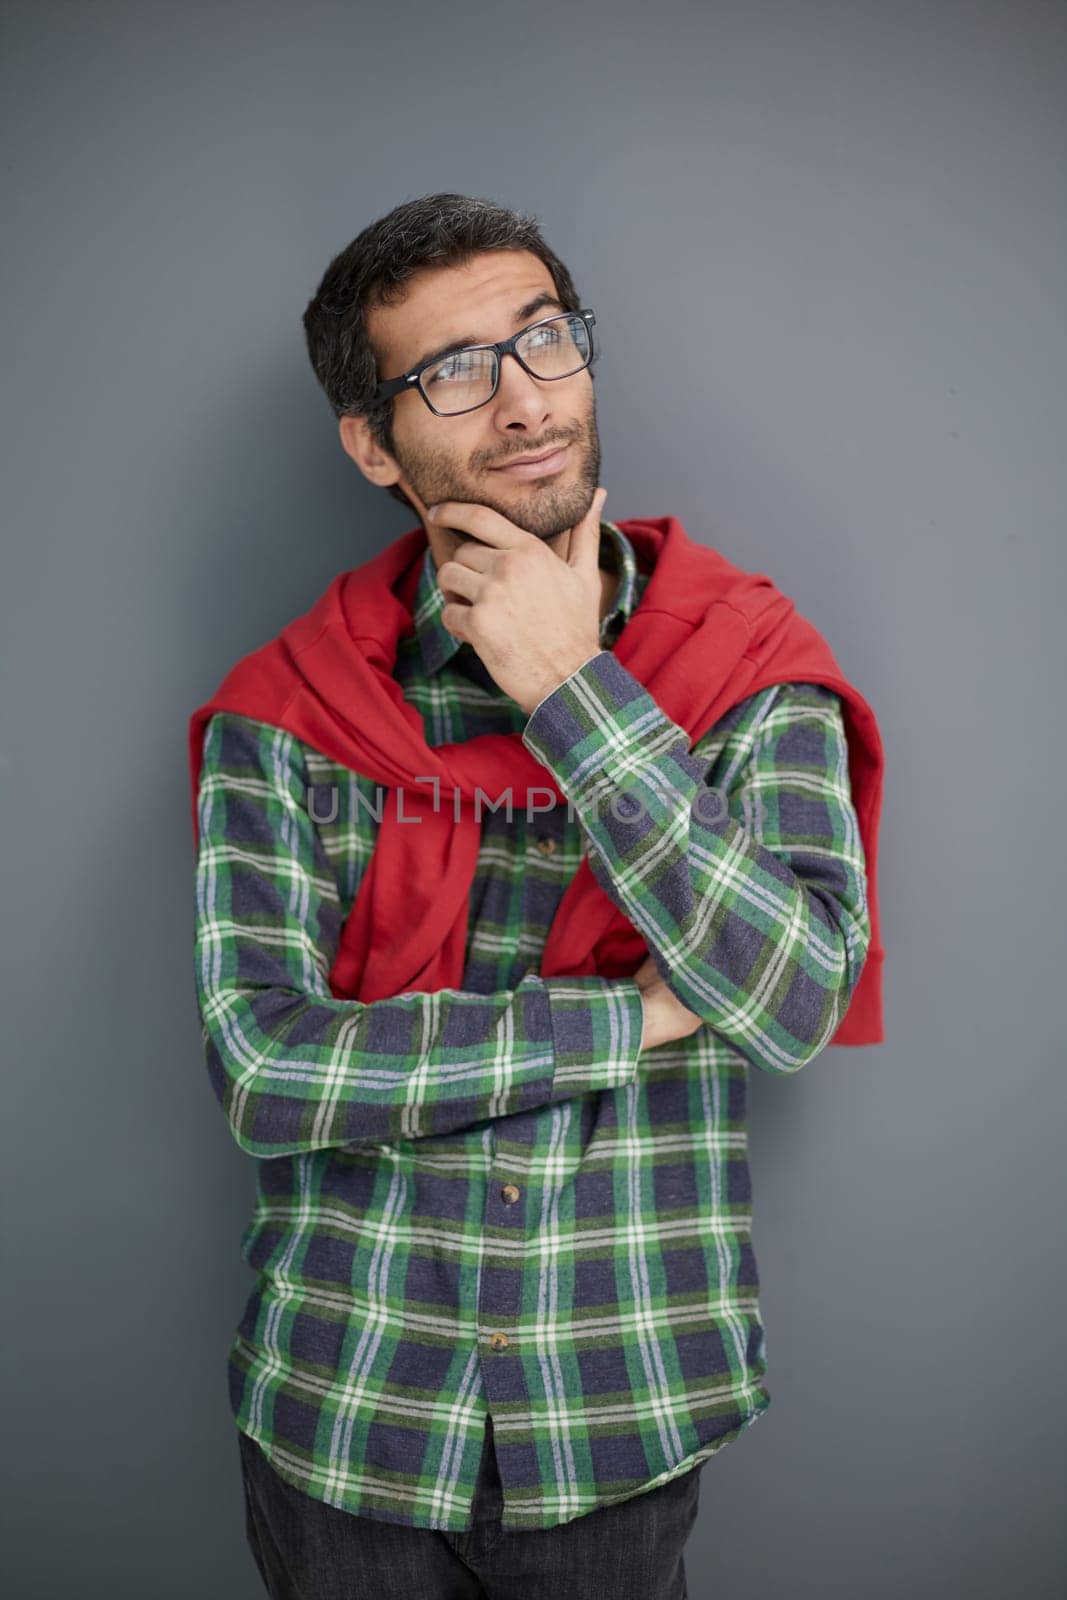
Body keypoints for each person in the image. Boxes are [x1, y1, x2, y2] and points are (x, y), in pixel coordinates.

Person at [188, 192, 884, 1599]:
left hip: (617, 1419)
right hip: (346, 1417)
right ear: (373, 443)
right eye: (453, 371)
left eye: (545, 339)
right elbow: (267, 1068)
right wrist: (627, 1021)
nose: (521, 402)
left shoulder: (741, 666)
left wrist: (576, 690)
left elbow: (796, 997)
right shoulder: (293, 711)